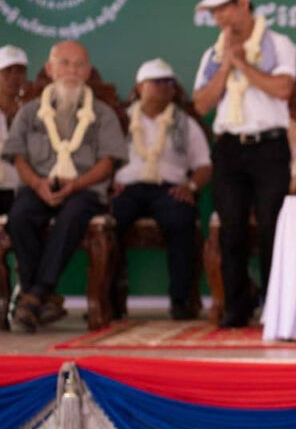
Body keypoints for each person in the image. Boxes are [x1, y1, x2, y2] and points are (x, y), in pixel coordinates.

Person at [1, 41, 126, 332]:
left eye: (79, 64)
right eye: (65, 63)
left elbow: (107, 163)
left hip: (85, 189)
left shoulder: (103, 113)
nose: (72, 70)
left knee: (72, 215)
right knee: (20, 216)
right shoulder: (29, 112)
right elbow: (18, 158)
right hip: (38, 185)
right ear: (50, 69)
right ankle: (42, 299)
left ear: (88, 71)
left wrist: (76, 184)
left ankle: (34, 294)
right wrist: (37, 184)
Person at [193, 0, 296, 327]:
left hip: (269, 148)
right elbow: (201, 103)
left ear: (242, 4)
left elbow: (282, 88)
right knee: (231, 228)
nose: (218, 17)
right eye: (213, 11)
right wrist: (226, 65)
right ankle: (237, 306)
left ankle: (274, 308)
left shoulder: (278, 44)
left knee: (271, 227)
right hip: (229, 148)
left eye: (222, 8)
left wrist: (243, 65)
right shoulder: (212, 54)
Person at [112, 58, 212, 320]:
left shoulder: (185, 122)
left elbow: (204, 165)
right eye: (157, 82)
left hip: (169, 190)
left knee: (182, 220)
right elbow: (103, 158)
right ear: (140, 87)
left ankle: (181, 300)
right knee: (109, 223)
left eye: (169, 83)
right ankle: (108, 300)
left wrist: (191, 186)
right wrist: (108, 183)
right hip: (127, 188)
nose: (165, 88)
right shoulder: (120, 120)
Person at [0, 45, 31, 215]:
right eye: (7, 71)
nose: (14, 77)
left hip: (23, 189)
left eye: (19, 71)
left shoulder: (33, 112)